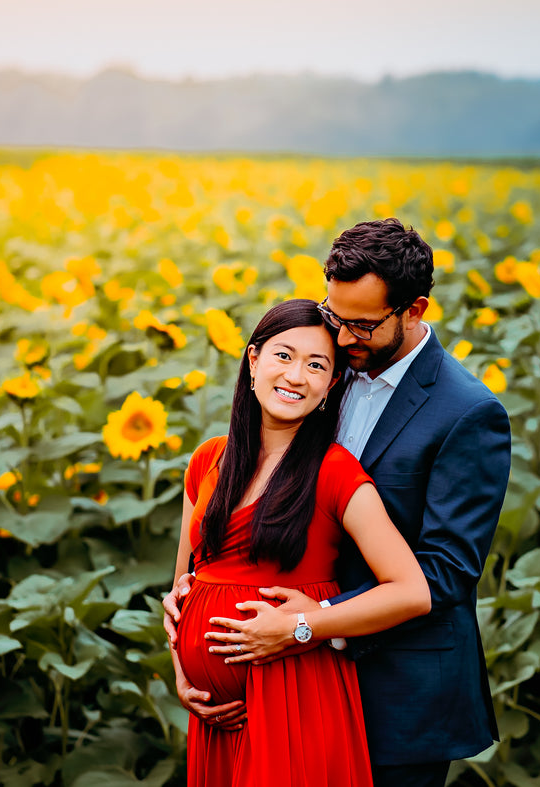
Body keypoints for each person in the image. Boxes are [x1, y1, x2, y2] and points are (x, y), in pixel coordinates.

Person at [167, 218, 513, 787]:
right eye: (334, 316)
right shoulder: (326, 368)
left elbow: (445, 574)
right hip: (274, 681)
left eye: (361, 325)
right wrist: (189, 623)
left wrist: (310, 623)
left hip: (398, 691)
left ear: (414, 310)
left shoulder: (466, 414)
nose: (343, 337)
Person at [170, 297, 432, 786]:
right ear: (253, 360)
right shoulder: (208, 459)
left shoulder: (334, 472)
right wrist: (182, 669)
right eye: (283, 355)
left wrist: (301, 628)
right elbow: (184, 585)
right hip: (214, 717)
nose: (296, 376)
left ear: (331, 386)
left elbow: (412, 591)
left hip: (294, 696)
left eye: (317, 365)